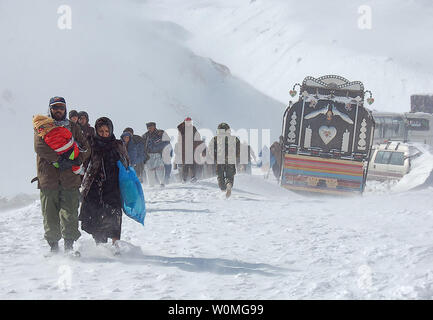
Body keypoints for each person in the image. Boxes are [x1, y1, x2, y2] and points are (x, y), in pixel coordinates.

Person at [33, 96, 91, 254]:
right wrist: (59, 159)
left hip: (70, 179)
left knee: (70, 212)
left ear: (65, 109)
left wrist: (76, 159)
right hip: (48, 179)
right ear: (50, 109)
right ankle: (53, 248)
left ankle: (69, 247)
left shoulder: (73, 127)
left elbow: (86, 147)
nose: (58, 110)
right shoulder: (42, 125)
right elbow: (40, 147)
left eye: (61, 107)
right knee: (49, 214)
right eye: (55, 107)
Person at [79, 117, 129, 253]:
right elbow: (83, 162)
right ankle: (100, 248)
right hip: (94, 186)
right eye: (100, 131)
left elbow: (126, 163)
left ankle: (116, 246)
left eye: (107, 131)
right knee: (96, 217)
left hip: (113, 186)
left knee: (114, 215)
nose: (104, 133)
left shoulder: (117, 145)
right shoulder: (91, 144)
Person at [208, 123, 240, 198]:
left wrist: (214, 157)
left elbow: (210, 149)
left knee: (220, 176)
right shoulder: (235, 139)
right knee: (230, 176)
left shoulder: (215, 139)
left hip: (220, 160)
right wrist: (236, 156)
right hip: (231, 160)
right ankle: (228, 185)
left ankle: (223, 190)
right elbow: (239, 149)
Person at [175, 117, 203, 183]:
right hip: (184, 149)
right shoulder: (181, 129)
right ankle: (184, 179)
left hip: (192, 148)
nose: (188, 122)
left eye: (189, 121)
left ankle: (193, 177)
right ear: (184, 122)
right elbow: (180, 139)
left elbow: (197, 137)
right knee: (185, 164)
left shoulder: (193, 128)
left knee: (193, 164)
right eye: (187, 121)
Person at [142, 122, 170, 187]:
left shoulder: (161, 133)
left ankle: (162, 183)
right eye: (148, 127)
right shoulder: (145, 135)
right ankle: (151, 185)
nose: (150, 128)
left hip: (158, 154)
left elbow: (167, 141)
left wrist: (158, 146)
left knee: (160, 168)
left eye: (151, 127)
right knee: (149, 170)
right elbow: (141, 145)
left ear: (154, 126)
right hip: (148, 155)